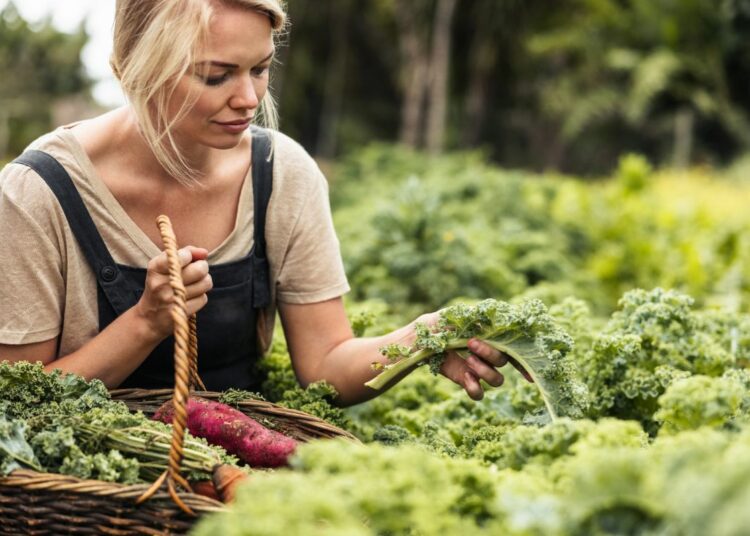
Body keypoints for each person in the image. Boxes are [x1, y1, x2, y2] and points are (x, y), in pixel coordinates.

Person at [0, 0, 517, 406]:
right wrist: (145, 323)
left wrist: (421, 339)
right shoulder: (39, 192)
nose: (248, 98)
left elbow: (326, 366)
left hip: (235, 472)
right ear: (136, 68)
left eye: (260, 68)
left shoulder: (282, 176)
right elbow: (20, 398)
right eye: (216, 75)